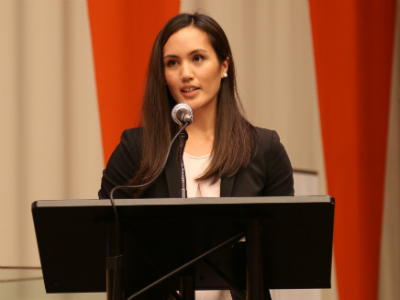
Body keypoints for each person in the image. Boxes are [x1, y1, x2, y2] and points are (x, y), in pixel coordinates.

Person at [99, 12, 294, 300]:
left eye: (198, 58)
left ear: (224, 65)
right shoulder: (135, 149)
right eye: (172, 63)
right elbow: (105, 240)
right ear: (162, 75)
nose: (185, 73)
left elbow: (285, 251)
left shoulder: (263, 149)